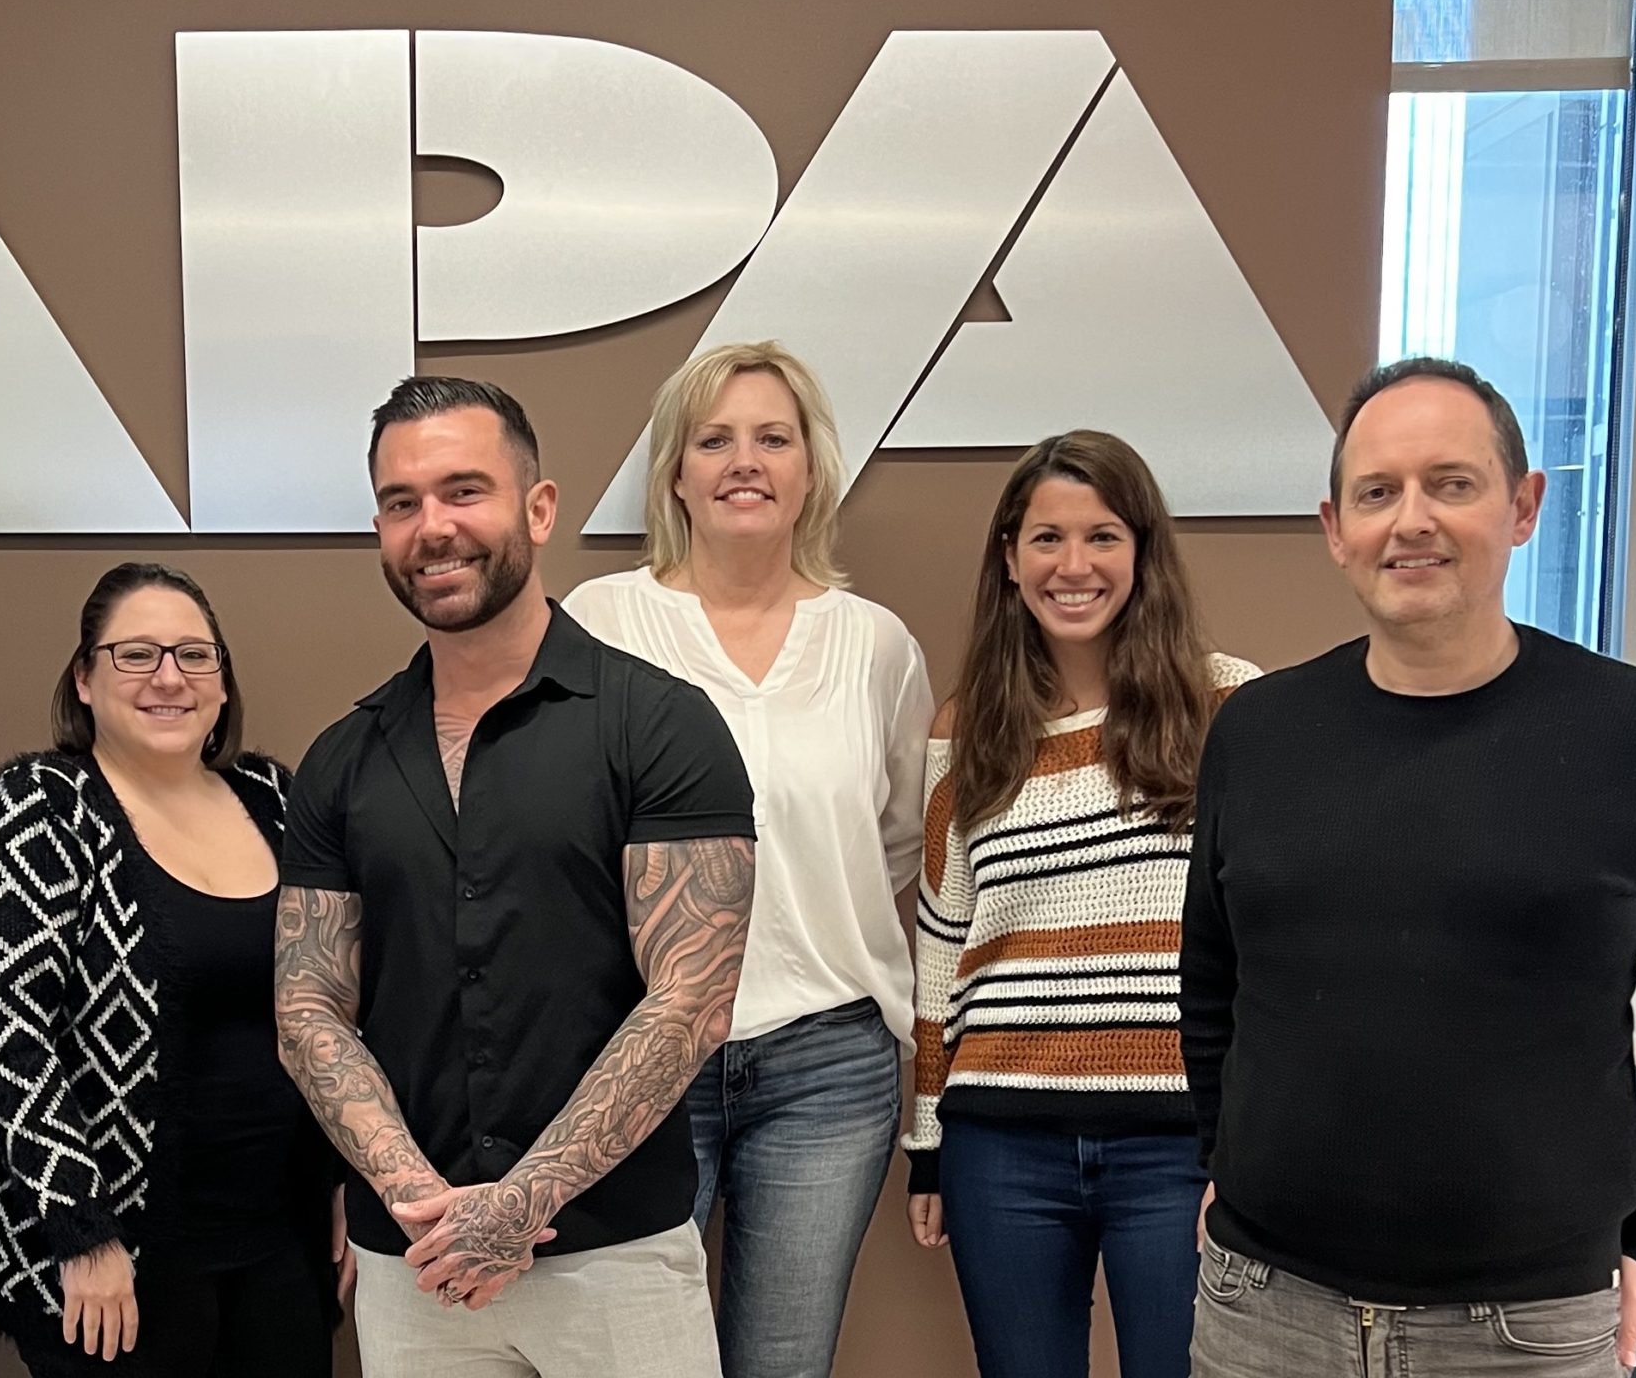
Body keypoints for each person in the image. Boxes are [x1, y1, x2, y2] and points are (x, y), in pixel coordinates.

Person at [1181, 357, 1636, 1377]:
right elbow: (1211, 985)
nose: (1411, 520)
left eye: (1450, 483)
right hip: (1265, 1307)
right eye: (1377, 492)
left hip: (1526, 1326)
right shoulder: (1258, 732)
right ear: (1335, 529)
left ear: (1523, 506)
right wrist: (1221, 1160)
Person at [274, 376, 758, 1378]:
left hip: (616, 1257)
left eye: (464, 491)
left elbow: (691, 1000)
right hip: (416, 1263)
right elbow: (308, 1007)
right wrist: (423, 1201)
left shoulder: (659, 725)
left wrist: (518, 1205)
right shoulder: (342, 759)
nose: (432, 527)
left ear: (538, 509)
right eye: (401, 503)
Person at [563, 341, 930, 1378]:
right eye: (713, 440)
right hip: (640, 1052)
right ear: (675, 473)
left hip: (826, 1064)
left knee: (784, 1363)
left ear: (811, 469)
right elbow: (562, 837)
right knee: (630, 1362)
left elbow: (895, 838)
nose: (744, 462)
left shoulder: (874, 644)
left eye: (773, 438)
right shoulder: (599, 625)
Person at [900, 430, 1257, 1378]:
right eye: (1046, 538)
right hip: (1001, 1142)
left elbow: (1269, 935)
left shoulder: (1231, 706)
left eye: (1102, 536)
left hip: (1180, 1146)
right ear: (1009, 560)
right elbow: (941, 944)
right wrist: (928, 1140)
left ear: (1142, 552)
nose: (1074, 565)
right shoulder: (968, 728)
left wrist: (1252, 1140)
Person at [0, 562, 345, 1377]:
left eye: (195, 655)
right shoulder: (40, 808)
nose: (169, 678)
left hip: (280, 1244)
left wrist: (349, 1175)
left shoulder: (276, 799)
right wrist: (80, 1229)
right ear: (84, 680)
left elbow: (336, 1005)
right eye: (135, 655)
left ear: (223, 684)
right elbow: (2, 1034)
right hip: (113, 1262)